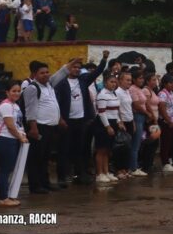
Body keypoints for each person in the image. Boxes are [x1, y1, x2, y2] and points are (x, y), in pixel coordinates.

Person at [55, 51, 108, 184]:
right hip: (67, 121)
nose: (77, 69)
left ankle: (80, 174)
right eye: (74, 67)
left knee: (80, 148)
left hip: (81, 120)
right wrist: (60, 118)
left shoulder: (83, 80)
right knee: (64, 149)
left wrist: (104, 59)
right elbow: (56, 103)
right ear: (69, 68)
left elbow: (97, 72)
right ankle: (63, 176)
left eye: (79, 67)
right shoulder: (61, 83)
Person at [23, 60, 72, 194]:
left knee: (46, 157)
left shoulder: (49, 85)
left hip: (51, 127)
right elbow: (30, 110)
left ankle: (45, 182)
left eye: (47, 72)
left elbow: (59, 75)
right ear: (34, 74)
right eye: (42, 73)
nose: (45, 75)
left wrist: (68, 66)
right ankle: (35, 185)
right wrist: (33, 128)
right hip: (39, 127)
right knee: (36, 158)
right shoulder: (32, 88)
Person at [0, 81, 28, 206]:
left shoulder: (15, 105)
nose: (17, 93)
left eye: (18, 91)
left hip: (13, 139)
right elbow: (10, 126)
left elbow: (18, 124)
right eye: (14, 91)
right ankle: (3, 198)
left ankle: (7, 196)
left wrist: (22, 134)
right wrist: (20, 137)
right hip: (6, 140)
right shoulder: (6, 106)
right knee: (5, 170)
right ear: (7, 92)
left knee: (8, 169)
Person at [93, 74, 121, 183]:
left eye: (115, 82)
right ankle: (99, 174)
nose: (113, 84)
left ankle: (106, 172)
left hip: (113, 122)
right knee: (101, 150)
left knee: (108, 150)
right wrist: (107, 126)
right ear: (105, 83)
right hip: (103, 124)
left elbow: (115, 111)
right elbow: (102, 112)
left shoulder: (113, 94)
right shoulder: (102, 95)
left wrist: (118, 121)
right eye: (111, 82)